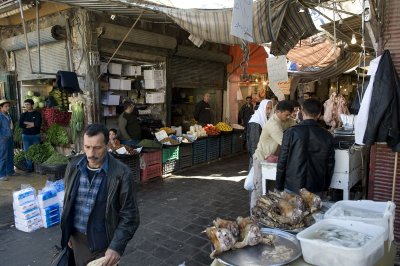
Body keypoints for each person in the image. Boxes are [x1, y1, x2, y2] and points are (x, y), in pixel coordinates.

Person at [60, 123, 140, 266]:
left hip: (103, 244)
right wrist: (67, 231)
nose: (91, 154)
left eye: (97, 148)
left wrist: (116, 246)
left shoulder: (121, 173)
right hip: (77, 240)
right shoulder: (73, 166)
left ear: (108, 145)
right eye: (87, 147)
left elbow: (130, 215)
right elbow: (68, 201)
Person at [276, 99, 335, 196]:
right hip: (316, 185)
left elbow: (282, 161)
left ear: (302, 111)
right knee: (315, 211)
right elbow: (330, 164)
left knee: (293, 211)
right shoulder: (327, 135)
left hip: (293, 185)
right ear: (319, 114)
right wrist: (325, 186)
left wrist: (279, 185)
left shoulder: (291, 132)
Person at [250, 100, 295, 209]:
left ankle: (266, 212)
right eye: (286, 114)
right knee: (259, 189)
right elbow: (285, 143)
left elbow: (294, 123)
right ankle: (254, 215)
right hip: (261, 159)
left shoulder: (285, 120)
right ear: (278, 112)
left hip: (271, 159)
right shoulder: (273, 124)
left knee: (270, 189)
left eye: (290, 115)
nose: (288, 117)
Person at [246, 99, 273, 168]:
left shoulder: (263, 119)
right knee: (255, 175)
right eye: (267, 108)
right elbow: (254, 142)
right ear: (262, 107)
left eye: (271, 108)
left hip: (261, 154)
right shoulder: (256, 121)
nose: (269, 111)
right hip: (257, 155)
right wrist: (256, 158)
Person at [19, 99, 42, 172]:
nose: (26, 106)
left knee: (37, 151)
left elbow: (38, 124)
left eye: (28, 104)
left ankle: (38, 168)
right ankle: (29, 168)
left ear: (32, 105)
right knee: (27, 152)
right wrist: (32, 124)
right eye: (25, 104)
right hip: (26, 136)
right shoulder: (23, 114)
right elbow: (21, 125)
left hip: (35, 135)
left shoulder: (37, 114)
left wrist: (26, 123)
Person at [0, 99, 14, 181]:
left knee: (10, 155)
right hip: (3, 139)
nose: (8, 108)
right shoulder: (0, 116)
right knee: (3, 157)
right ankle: (1, 175)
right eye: (6, 106)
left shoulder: (8, 115)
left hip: (9, 137)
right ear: (1, 107)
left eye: (8, 106)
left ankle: (10, 171)